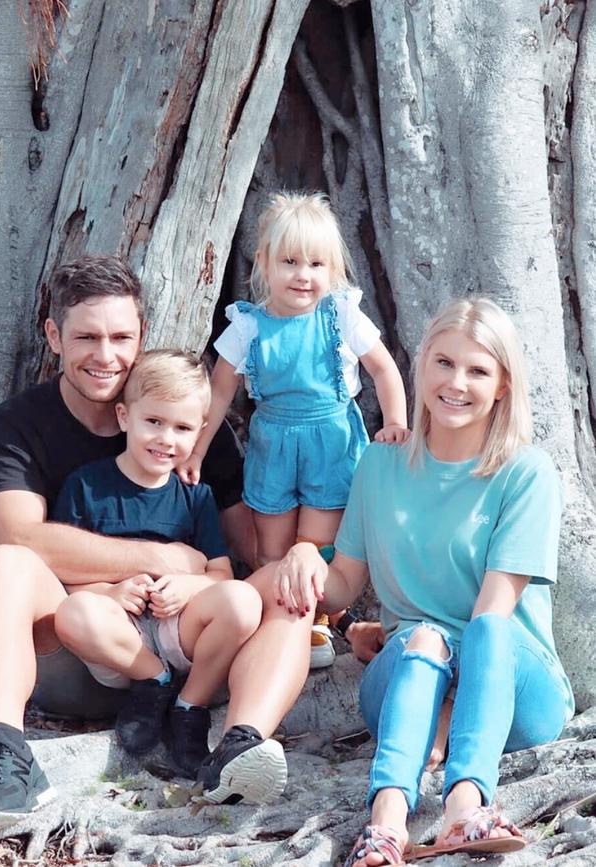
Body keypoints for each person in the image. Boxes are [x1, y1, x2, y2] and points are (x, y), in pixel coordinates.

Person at [273, 298, 574, 865]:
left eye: (478, 370)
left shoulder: (526, 473)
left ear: (503, 385)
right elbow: (342, 583)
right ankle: (387, 824)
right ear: (420, 366)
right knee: (425, 637)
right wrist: (307, 555)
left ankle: (464, 807)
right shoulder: (380, 464)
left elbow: (493, 613)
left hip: (514, 686)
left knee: (480, 629)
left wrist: (446, 715)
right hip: (409, 681)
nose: (456, 383)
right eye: (443, 363)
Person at [0, 254, 255, 835]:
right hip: (77, 645)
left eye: (121, 336)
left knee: (260, 594)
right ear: (54, 336)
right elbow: (17, 534)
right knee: (6, 562)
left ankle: (219, 732)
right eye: (86, 337)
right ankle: (4, 756)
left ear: (141, 335)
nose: (105, 355)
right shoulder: (18, 424)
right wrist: (160, 558)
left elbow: (241, 548)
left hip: (182, 647)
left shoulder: (187, 423)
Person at [179, 191, 409, 667]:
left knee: (316, 543)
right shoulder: (248, 326)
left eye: (316, 264)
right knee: (273, 547)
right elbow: (218, 393)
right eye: (289, 261)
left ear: (333, 269)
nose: (303, 275)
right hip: (273, 446)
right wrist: (197, 451)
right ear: (264, 262)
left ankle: (318, 621)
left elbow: (384, 371)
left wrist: (396, 424)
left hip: (331, 442)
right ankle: (279, 614)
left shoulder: (341, 315)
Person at [51, 349, 262, 777]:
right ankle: (154, 682)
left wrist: (190, 587)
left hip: (175, 627)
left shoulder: (195, 496)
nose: (167, 439)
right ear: (125, 416)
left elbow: (220, 572)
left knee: (242, 600)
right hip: (120, 639)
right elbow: (65, 577)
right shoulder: (87, 485)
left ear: (200, 432)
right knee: (73, 612)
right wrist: (109, 592)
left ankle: (190, 706)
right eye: (154, 422)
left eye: (182, 428)